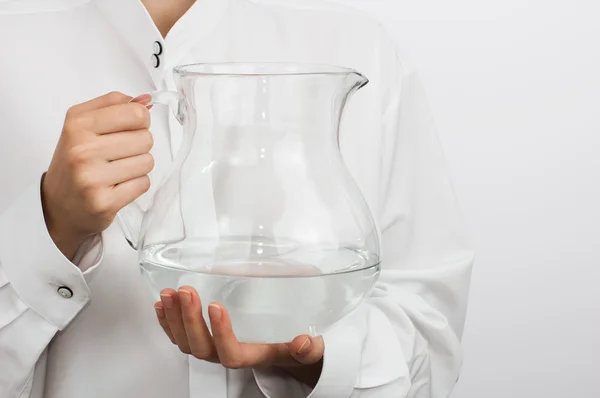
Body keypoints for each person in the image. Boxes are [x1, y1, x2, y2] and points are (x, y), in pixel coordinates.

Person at [0, 0, 474, 397]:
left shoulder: (358, 45)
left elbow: (431, 343)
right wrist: (51, 227)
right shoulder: (11, 48)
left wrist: (316, 361)